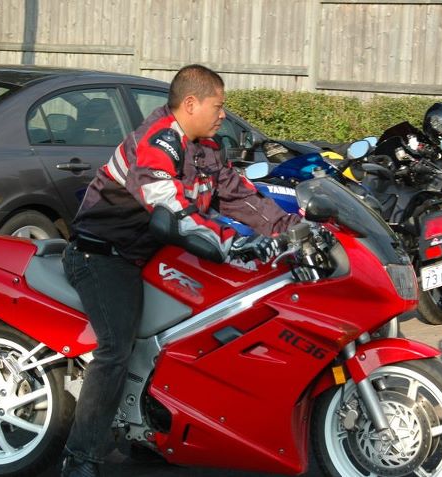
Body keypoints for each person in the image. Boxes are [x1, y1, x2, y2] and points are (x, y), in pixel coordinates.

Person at [60, 64, 300, 477]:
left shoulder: (205, 149)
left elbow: (241, 197)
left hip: (150, 252)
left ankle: (151, 430)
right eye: (218, 106)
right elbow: (169, 207)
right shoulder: (157, 142)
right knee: (115, 349)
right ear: (191, 103)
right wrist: (230, 242)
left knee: (191, 332)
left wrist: (294, 230)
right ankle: (81, 457)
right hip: (103, 255)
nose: (223, 114)